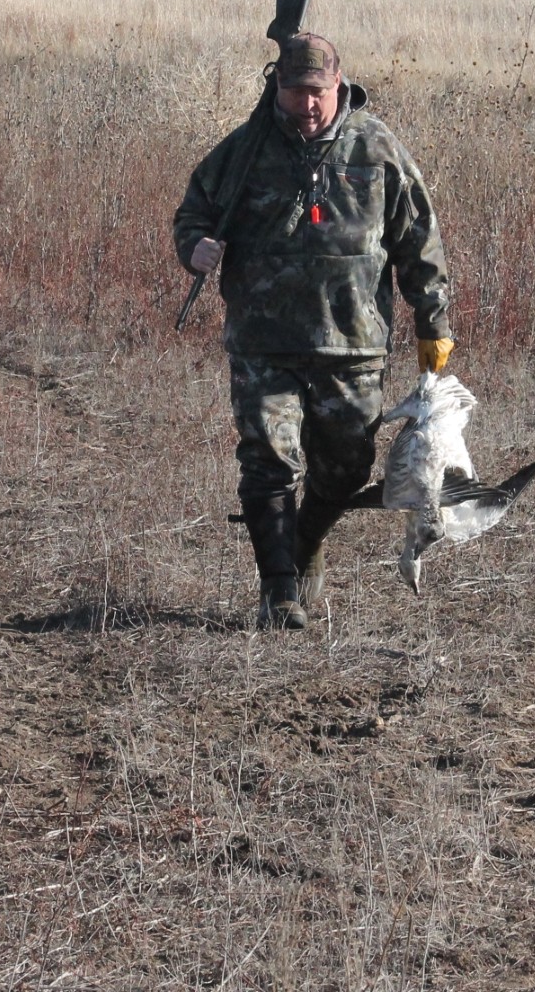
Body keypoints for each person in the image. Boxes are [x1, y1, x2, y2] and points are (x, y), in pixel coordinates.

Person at [173, 33, 454, 630]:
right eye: (296, 92)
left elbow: (418, 241)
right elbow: (194, 210)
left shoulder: (376, 149)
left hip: (352, 345)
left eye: (318, 94)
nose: (307, 105)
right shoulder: (246, 149)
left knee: (347, 468)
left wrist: (434, 322)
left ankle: (304, 544)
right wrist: (193, 246)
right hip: (263, 340)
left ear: (340, 85)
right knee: (268, 461)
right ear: (276, 87)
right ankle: (279, 592)